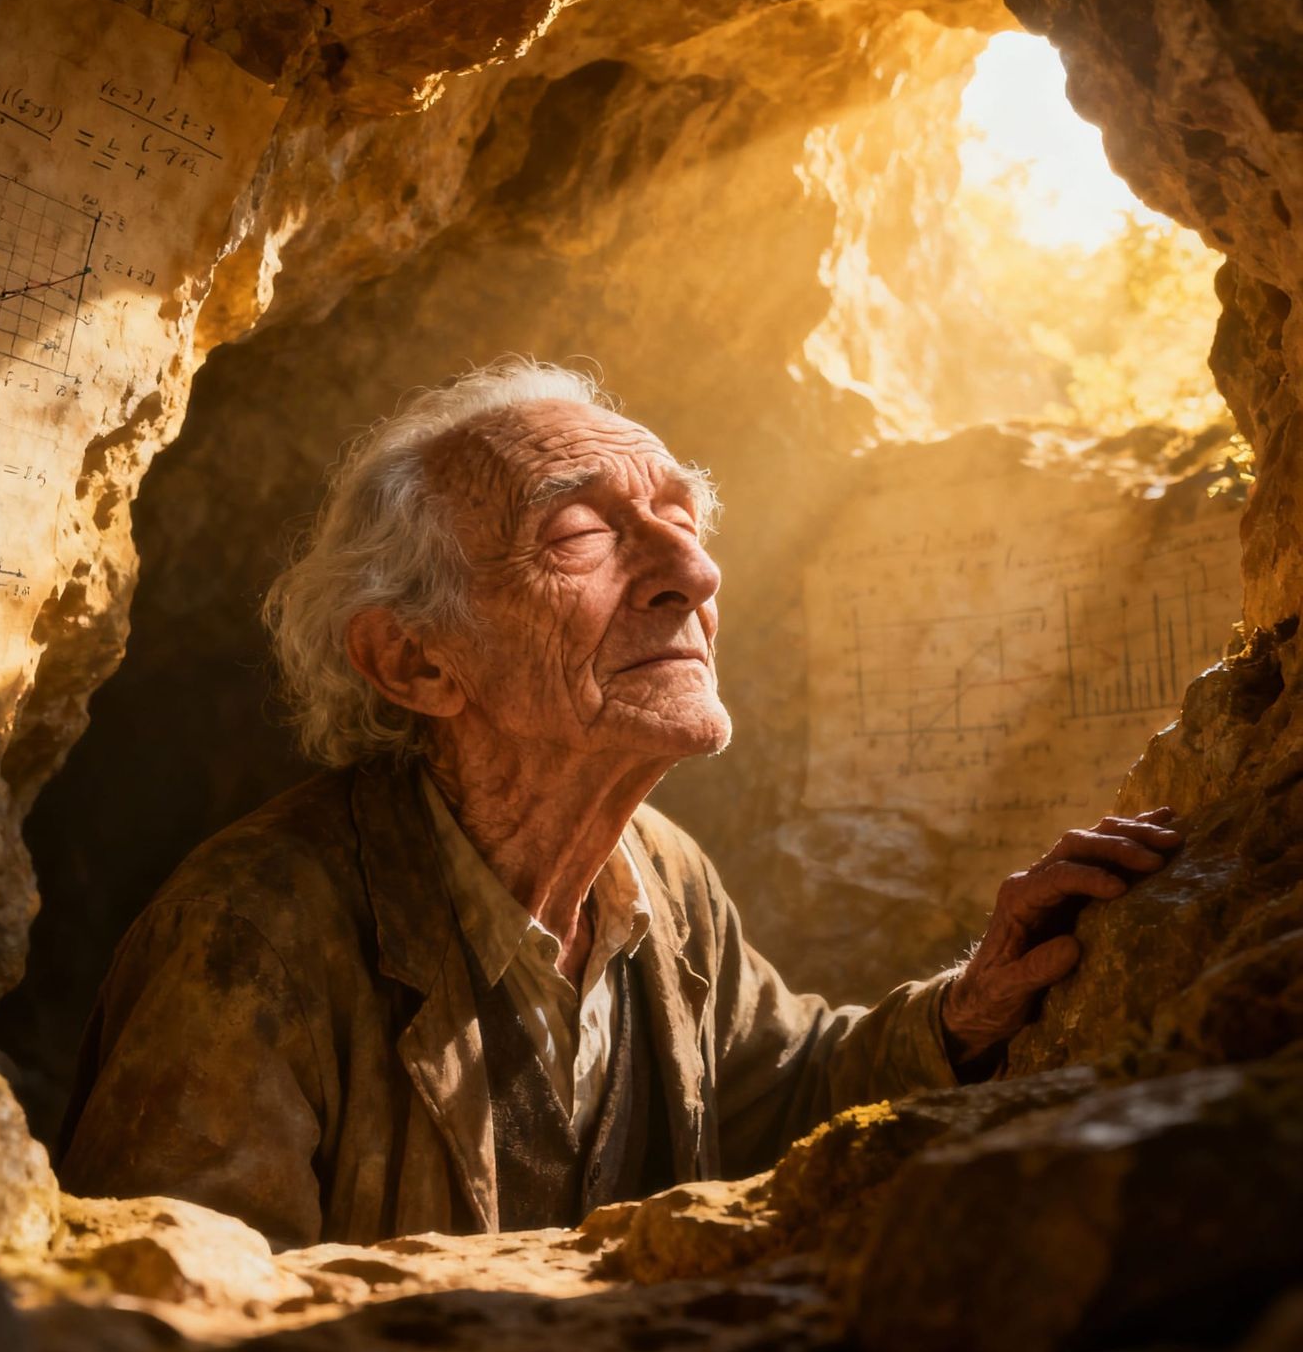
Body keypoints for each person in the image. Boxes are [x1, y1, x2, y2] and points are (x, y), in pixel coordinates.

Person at [58, 358, 1181, 1248]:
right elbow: (173, 1326)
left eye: (682, 517)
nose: (688, 572)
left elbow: (781, 1090)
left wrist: (965, 1011)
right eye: (581, 533)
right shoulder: (251, 935)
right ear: (415, 663)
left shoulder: (659, 870)